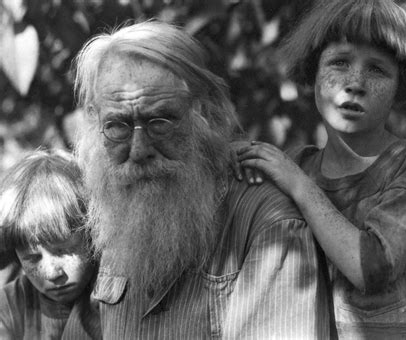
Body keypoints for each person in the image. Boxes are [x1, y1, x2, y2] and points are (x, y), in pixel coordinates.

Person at [72, 20, 328, 339]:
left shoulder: (267, 222)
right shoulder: (114, 220)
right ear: (96, 122)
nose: (138, 150)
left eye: (160, 122)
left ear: (204, 114)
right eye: (118, 126)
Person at [237, 0, 406, 338]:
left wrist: (299, 186)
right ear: (313, 72)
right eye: (339, 62)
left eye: (377, 69)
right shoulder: (295, 165)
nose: (355, 82)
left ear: (401, 85)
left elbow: (371, 266)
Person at [0, 149, 100, 340]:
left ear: (92, 236)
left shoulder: (115, 296)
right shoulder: (10, 307)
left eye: (64, 251)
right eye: (32, 258)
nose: (52, 274)